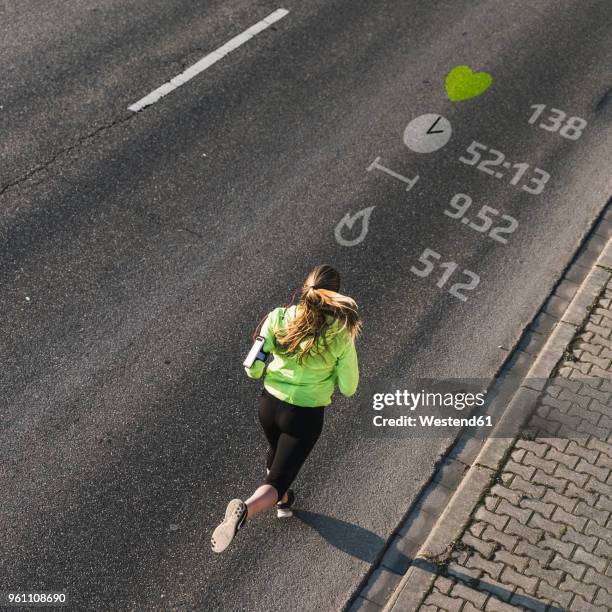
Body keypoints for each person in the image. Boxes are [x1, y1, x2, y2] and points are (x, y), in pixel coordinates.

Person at [211, 264, 361, 553]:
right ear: (335, 296)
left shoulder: (278, 317)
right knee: (276, 482)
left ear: (306, 288)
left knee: (277, 453)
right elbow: (348, 387)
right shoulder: (340, 334)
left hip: (269, 406)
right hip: (304, 416)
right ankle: (246, 509)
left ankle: (283, 502)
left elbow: (252, 367)